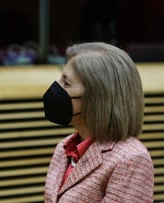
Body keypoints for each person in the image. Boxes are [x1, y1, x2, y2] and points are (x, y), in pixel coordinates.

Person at [42, 42, 154, 202]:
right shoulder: (64, 148)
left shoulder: (131, 159)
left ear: (97, 98)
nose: (56, 89)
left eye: (66, 83)